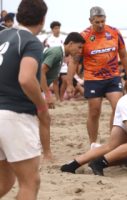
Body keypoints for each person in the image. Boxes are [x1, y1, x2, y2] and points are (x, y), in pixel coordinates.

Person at [0, 1, 48, 200]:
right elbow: (26, 79)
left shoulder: (2, 35)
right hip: (14, 116)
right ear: (43, 19)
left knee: (4, 181)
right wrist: (42, 105)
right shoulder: (31, 41)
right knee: (30, 183)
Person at [66, 6, 127, 145]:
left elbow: (124, 56)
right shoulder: (84, 36)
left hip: (113, 77)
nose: (101, 24)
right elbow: (74, 60)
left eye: (103, 21)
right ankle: (93, 144)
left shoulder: (114, 32)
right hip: (93, 79)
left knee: (119, 107)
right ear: (90, 20)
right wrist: (69, 83)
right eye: (97, 22)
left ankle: (114, 141)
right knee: (94, 112)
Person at [40, 32, 85, 108]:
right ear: (70, 44)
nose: (80, 51)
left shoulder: (60, 54)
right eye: (79, 47)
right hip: (32, 90)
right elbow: (41, 71)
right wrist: (48, 95)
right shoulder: (56, 53)